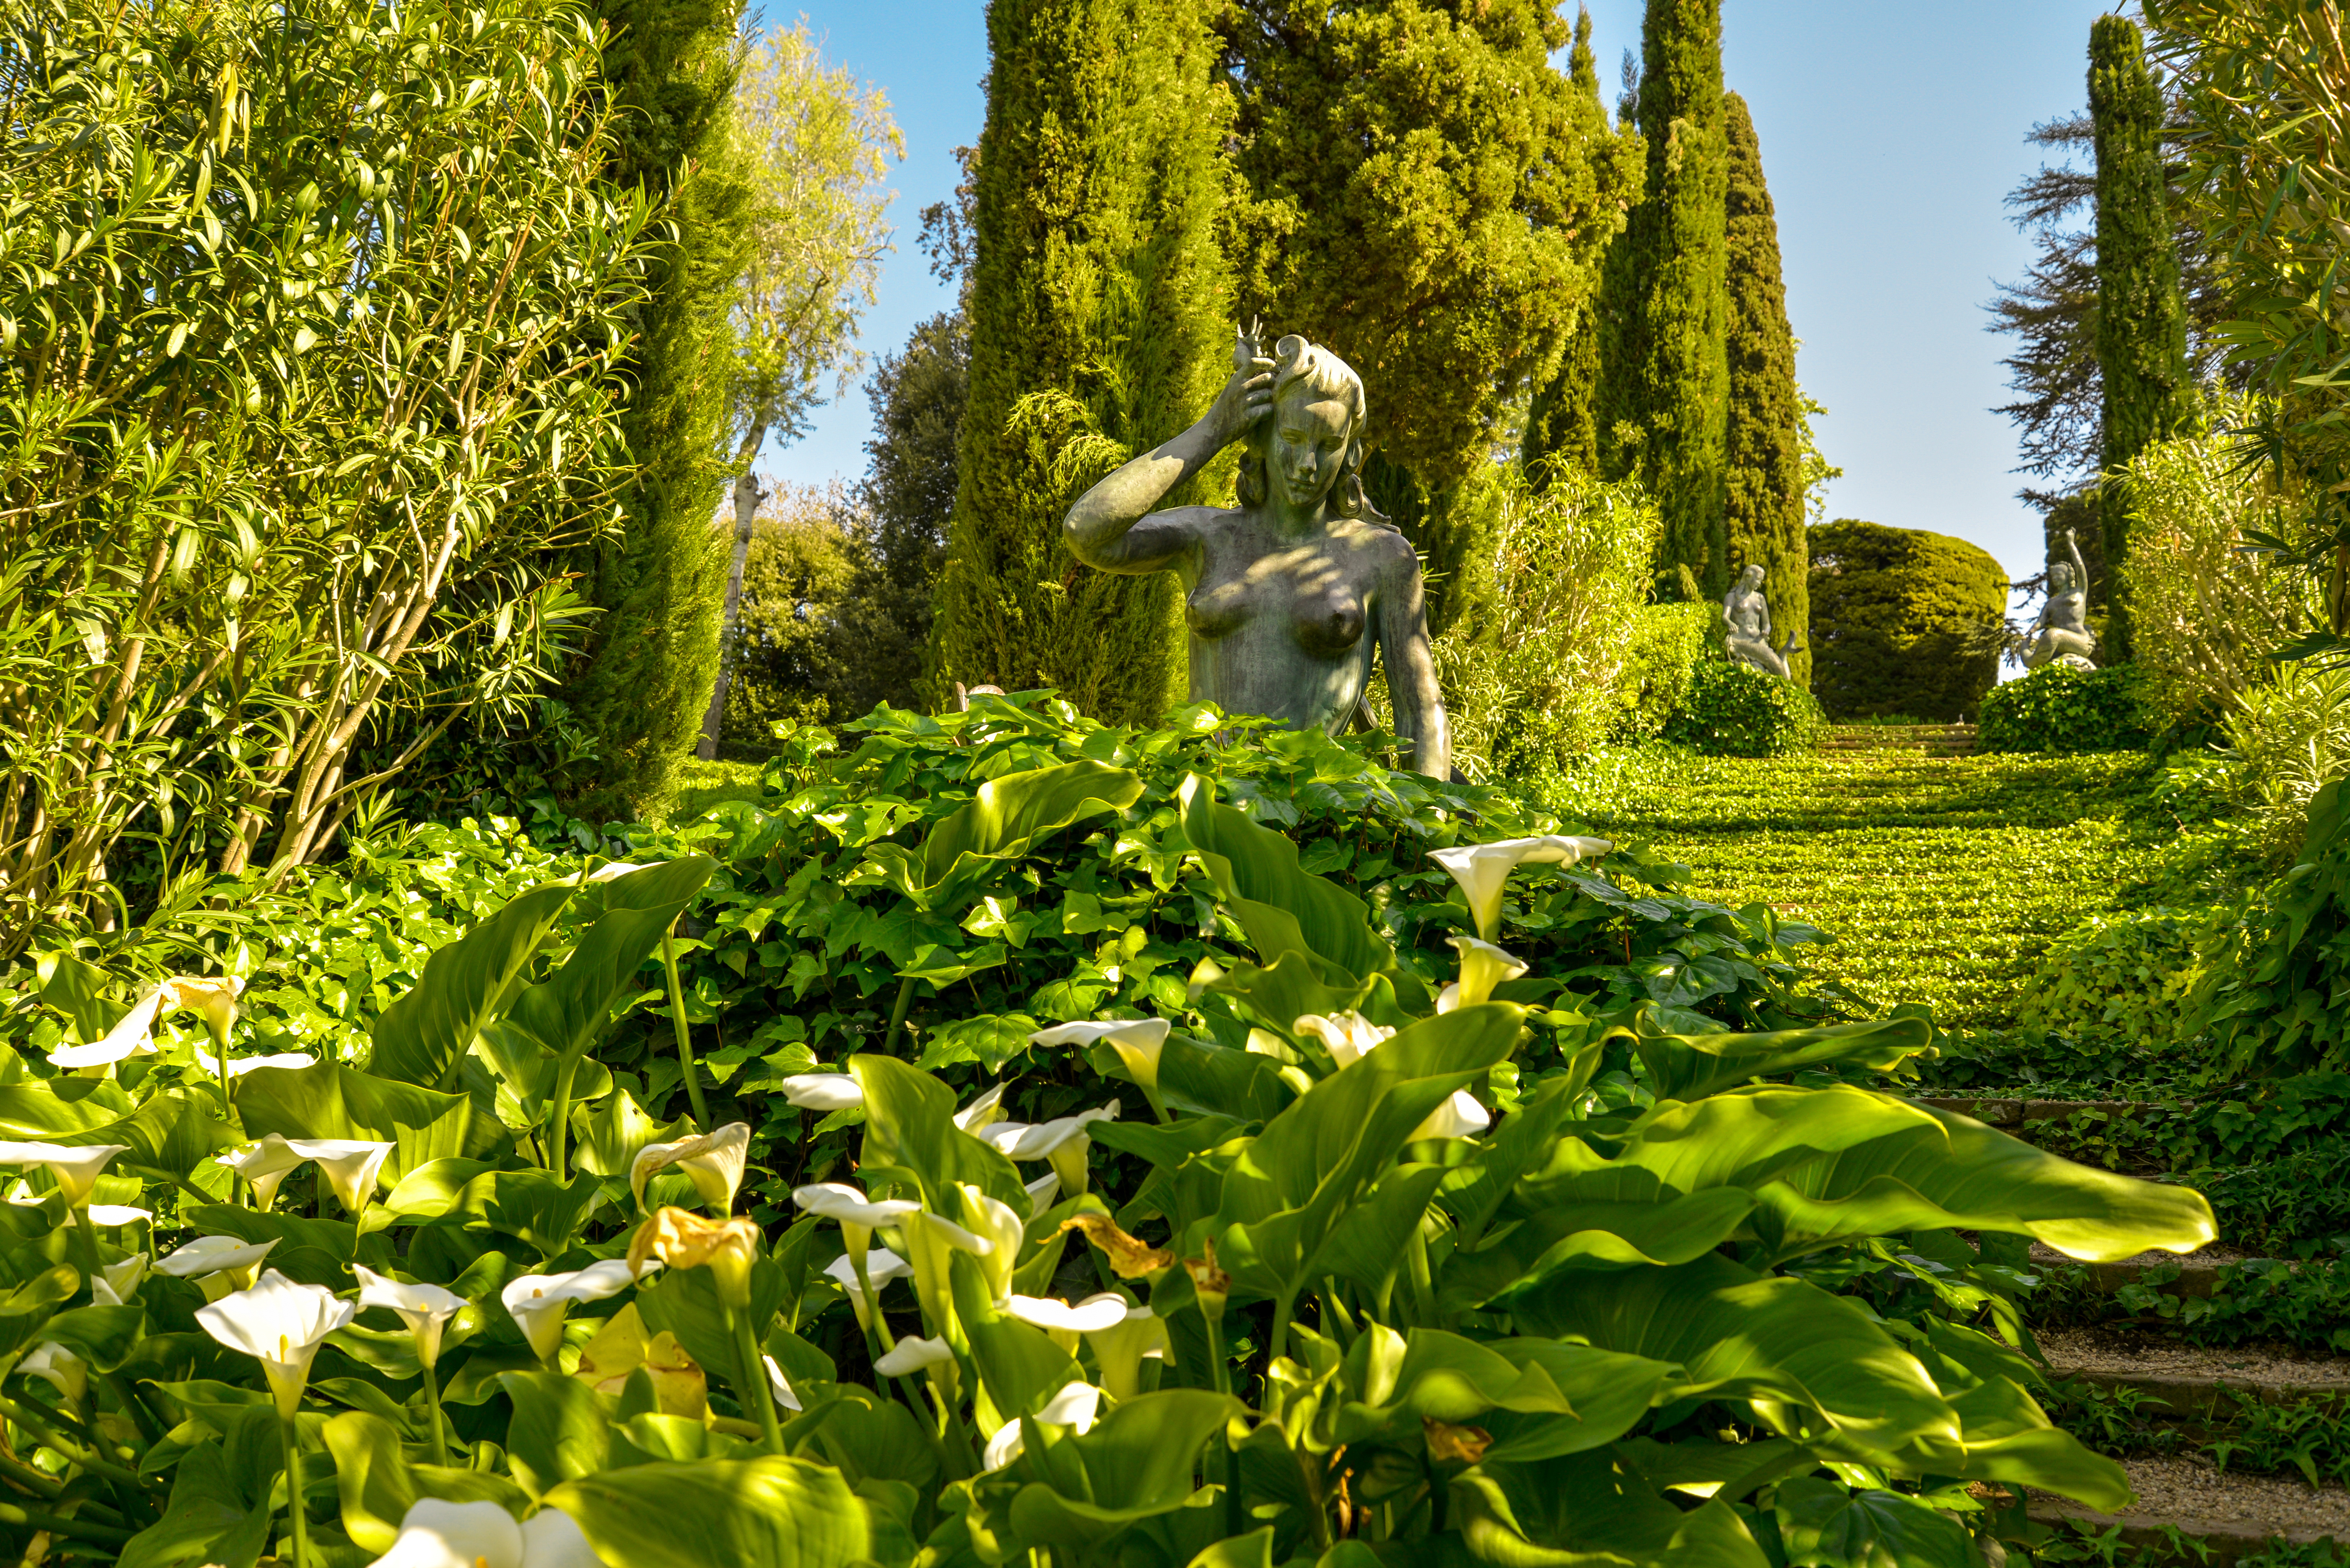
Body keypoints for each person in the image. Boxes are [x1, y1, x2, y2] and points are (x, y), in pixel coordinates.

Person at [1062, 327, 1448, 776]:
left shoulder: (1381, 557)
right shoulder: (1207, 535)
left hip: (1309, 812)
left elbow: (1421, 711)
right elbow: (1086, 531)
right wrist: (1213, 430)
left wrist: (1428, 829)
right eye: (1292, 437)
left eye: (1328, 446)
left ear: (1349, 452)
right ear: (1261, 437)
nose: (1308, 464)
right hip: (1201, 801)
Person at [2025, 528, 2099, 670]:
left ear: (2068, 575)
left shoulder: (2080, 592)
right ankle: (2031, 659)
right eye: (2054, 576)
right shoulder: (2051, 602)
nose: (2056, 578)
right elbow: (2041, 621)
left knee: (2053, 634)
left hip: (2081, 641)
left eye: (2059, 574)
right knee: (2051, 643)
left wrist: (2071, 544)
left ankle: (2031, 661)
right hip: (2060, 645)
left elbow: (2080, 567)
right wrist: (2030, 633)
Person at [1721, 563, 1801, 680]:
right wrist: (1730, 623)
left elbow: (1767, 624)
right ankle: (1784, 656)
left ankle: (1784, 654)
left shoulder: (1760, 598)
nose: (1759, 583)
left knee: (1761, 670)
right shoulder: (1732, 597)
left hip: (1758, 641)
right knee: (1776, 666)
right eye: (1758, 579)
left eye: (1761, 580)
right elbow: (1724, 617)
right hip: (1739, 641)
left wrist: (1766, 631)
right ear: (1748, 577)